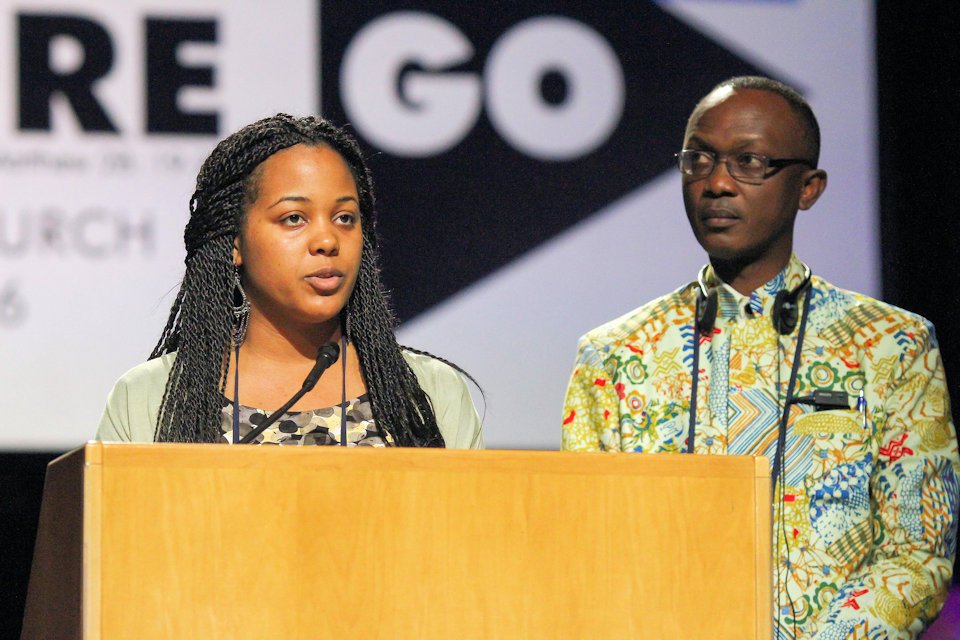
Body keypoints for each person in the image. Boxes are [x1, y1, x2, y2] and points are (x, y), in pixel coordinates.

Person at [561, 76, 958, 638]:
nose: (717, 183)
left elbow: (917, 556)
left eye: (749, 162)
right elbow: (587, 555)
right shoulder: (615, 356)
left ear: (808, 187)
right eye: (699, 159)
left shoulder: (891, 346)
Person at [98, 114, 482, 449]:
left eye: (345, 218)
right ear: (234, 243)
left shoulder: (430, 395)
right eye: (294, 218)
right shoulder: (149, 398)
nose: (328, 241)